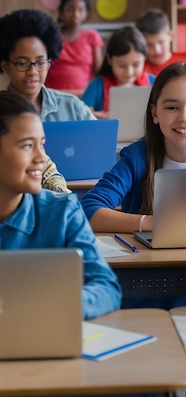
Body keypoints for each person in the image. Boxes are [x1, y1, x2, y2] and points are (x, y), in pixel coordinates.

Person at [81, 61, 186, 235]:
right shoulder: (137, 157)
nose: (184, 117)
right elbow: (89, 210)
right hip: (147, 261)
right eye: (172, 107)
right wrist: (153, 223)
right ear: (155, 113)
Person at [0, 92, 121, 320]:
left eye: (42, 145)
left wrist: (55, 306)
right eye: (27, 146)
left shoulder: (63, 211)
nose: (42, 158)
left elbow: (107, 288)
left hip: (45, 338)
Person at [0, 9, 96, 121]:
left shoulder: (72, 107)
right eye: (22, 63)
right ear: (5, 67)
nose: (33, 72)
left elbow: (99, 137)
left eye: (40, 62)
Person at [81, 25, 155, 119]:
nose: (129, 72)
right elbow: (80, 114)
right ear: (109, 59)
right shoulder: (97, 85)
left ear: (145, 58)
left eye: (136, 65)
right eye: (122, 65)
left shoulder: (154, 83)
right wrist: (102, 116)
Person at [46, 0, 104, 96]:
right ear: (62, 13)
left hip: (85, 95)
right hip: (54, 95)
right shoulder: (51, 36)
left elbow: (99, 71)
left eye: (80, 10)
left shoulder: (92, 35)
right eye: (70, 9)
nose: (75, 14)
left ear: (86, 13)